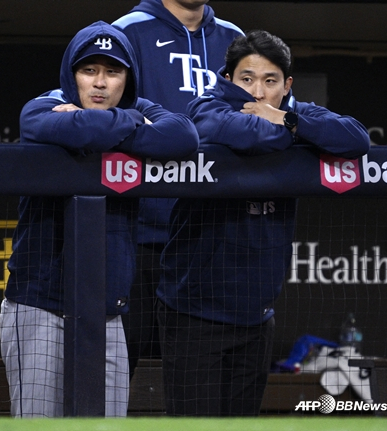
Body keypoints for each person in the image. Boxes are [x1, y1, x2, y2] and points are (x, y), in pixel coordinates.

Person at [157, 30, 370, 416]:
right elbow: (252, 135)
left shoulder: (295, 113)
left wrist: (288, 119)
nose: (258, 92)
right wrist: (293, 129)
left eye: (270, 81)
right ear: (228, 80)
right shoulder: (206, 107)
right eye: (247, 79)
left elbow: (356, 139)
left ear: (287, 85)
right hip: (194, 315)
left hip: (257, 318)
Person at [0, 21, 199, 418]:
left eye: (112, 71)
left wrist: (104, 123)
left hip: (107, 311)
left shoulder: (142, 107)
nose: (100, 83)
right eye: (89, 70)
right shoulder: (44, 106)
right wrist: (130, 124)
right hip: (40, 304)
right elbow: (43, 124)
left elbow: (183, 136)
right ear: (72, 74)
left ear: (128, 78)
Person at [113, 0, 244, 379]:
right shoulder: (128, 31)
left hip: (210, 240)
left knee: (199, 382)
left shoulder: (234, 38)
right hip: (139, 237)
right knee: (114, 372)